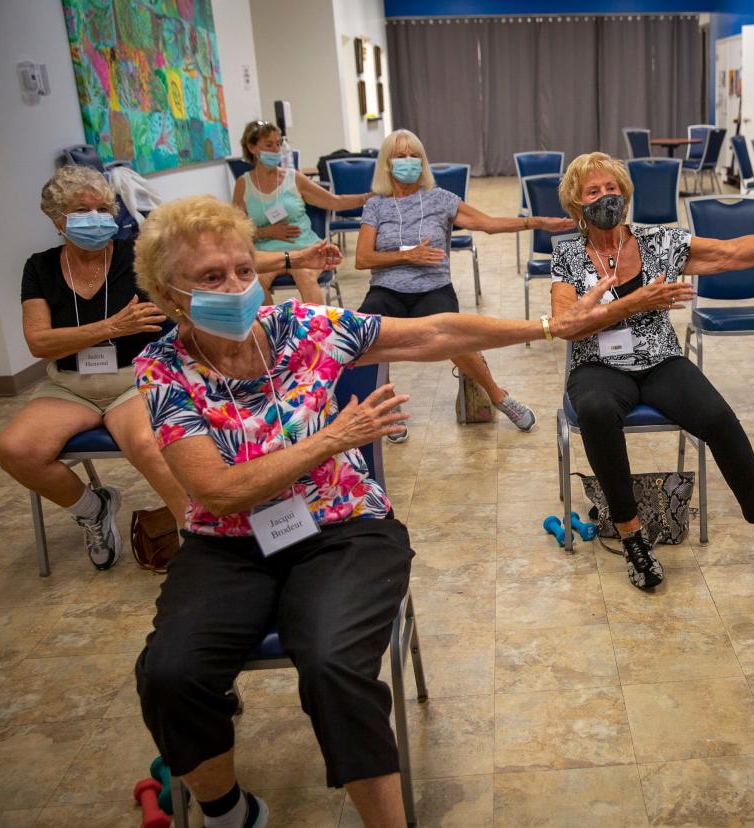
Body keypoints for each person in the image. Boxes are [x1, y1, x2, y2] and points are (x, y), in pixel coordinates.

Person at [130, 195, 617, 828]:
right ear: (171, 297)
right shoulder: (163, 368)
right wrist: (332, 438)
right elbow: (216, 492)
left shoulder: (299, 328)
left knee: (331, 663)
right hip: (228, 543)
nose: (237, 287)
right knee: (171, 673)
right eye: (212, 278)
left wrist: (551, 328)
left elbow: (437, 332)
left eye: (244, 271)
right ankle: (229, 813)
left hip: (343, 526)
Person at [550, 152, 754, 591]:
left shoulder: (659, 242)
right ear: (575, 205)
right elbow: (566, 324)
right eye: (594, 191)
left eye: (613, 188)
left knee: (719, 419)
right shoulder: (568, 255)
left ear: (626, 195)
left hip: (660, 359)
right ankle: (631, 534)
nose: (607, 196)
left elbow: (731, 253)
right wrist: (635, 303)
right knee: (598, 413)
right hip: (598, 367)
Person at [0, 164, 186, 570]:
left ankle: (200, 542)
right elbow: (38, 342)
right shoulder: (41, 267)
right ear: (57, 218)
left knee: (148, 445)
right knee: (15, 450)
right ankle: (92, 508)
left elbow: (178, 302)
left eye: (103, 208)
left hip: (131, 379)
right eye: (84, 210)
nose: (98, 219)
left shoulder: (135, 257)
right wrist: (113, 327)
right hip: (69, 386)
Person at [355, 129, 572, 436]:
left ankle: (499, 396)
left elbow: (489, 225)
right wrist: (407, 257)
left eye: (414, 155)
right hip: (386, 289)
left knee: (457, 336)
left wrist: (537, 222)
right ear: (387, 164)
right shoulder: (375, 205)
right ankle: (387, 406)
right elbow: (362, 258)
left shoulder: (440, 199)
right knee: (364, 335)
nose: (408, 161)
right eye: (400, 156)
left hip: (433, 287)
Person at [233, 120, 370, 304]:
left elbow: (334, 202)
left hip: (304, 248)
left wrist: (367, 197)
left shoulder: (294, 178)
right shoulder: (243, 184)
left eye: (278, 144)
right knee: (255, 284)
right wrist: (266, 232)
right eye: (269, 145)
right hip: (266, 252)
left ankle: (316, 330)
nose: (276, 150)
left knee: (304, 275)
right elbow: (236, 233)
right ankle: (273, 330)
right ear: (251, 147)